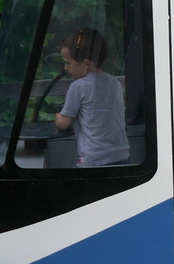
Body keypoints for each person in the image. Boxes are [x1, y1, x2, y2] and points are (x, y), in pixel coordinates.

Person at [54, 28, 130, 167]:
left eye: (68, 63)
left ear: (86, 64)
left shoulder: (78, 86)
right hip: (122, 156)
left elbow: (63, 123)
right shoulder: (114, 82)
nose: (65, 68)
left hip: (94, 160)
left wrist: (58, 116)